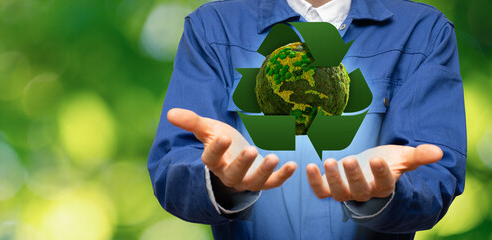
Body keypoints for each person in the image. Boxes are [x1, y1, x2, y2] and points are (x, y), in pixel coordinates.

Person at [147, 0, 466, 239]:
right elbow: (172, 168)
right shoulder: (213, 27)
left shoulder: (424, 31)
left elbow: (436, 175)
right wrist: (220, 179)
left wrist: (387, 188)